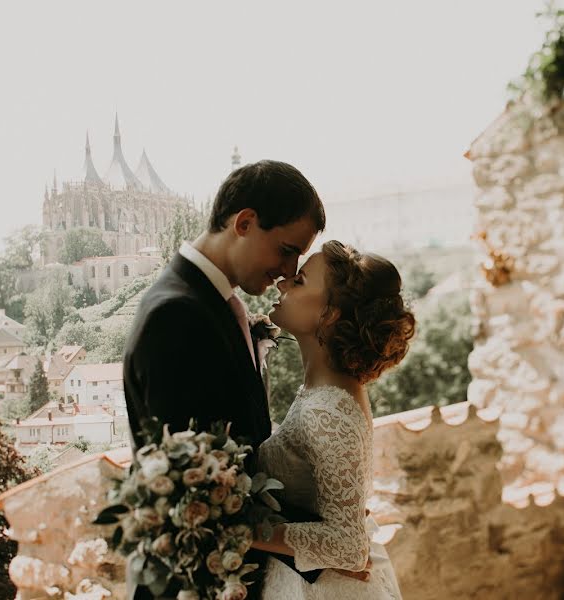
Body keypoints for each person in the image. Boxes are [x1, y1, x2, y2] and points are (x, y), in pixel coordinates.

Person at [123, 160, 365, 599]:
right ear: (245, 223)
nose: (290, 271)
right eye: (287, 250)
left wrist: (333, 522)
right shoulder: (177, 315)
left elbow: (239, 469)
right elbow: (195, 493)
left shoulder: (215, 306)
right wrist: (327, 543)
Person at [254, 240, 415, 599]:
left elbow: (348, 548)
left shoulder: (327, 409)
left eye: (298, 282)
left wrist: (240, 530)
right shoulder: (328, 392)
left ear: (329, 313)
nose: (282, 283)